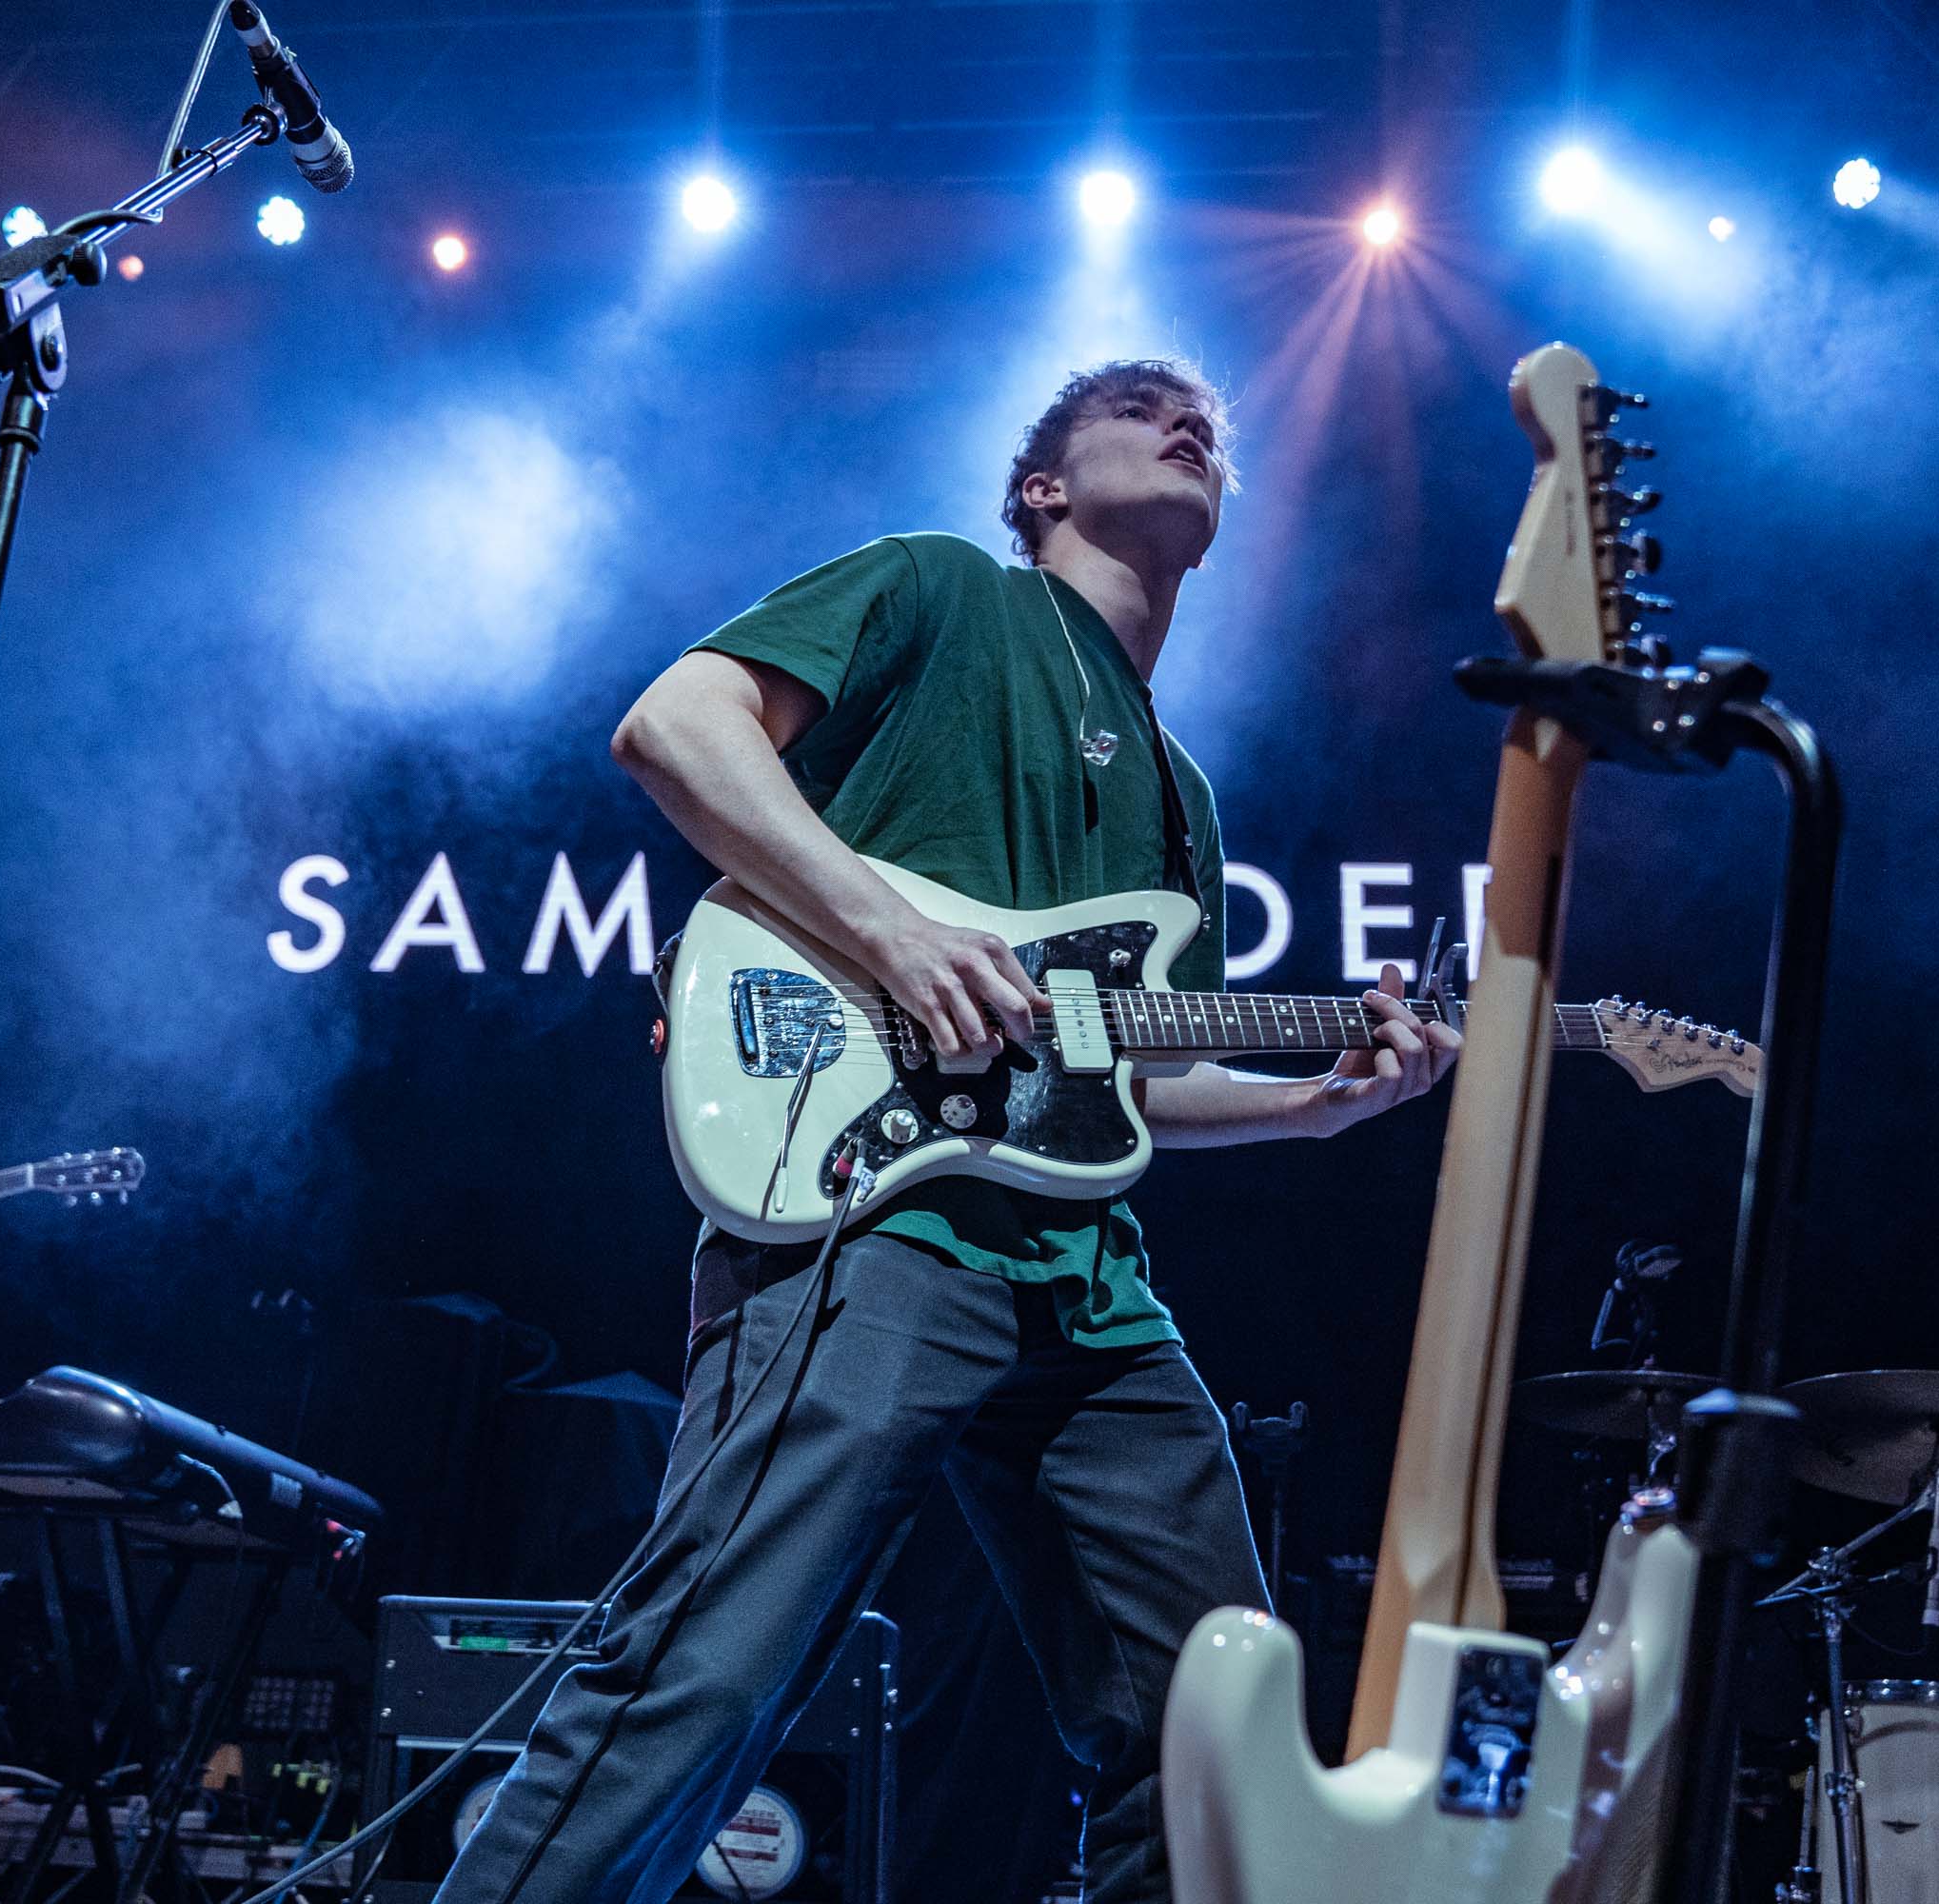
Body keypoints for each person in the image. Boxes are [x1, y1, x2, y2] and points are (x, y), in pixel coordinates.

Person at [433, 359, 1459, 1904]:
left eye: (1215, 429)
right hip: (878, 1225)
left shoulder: (1184, 799)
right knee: (704, 1680)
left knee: (1213, 1727)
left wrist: (1322, 1104)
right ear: (1043, 488)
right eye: (1143, 411)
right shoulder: (939, 590)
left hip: (1089, 1289)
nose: (1197, 427)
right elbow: (675, 726)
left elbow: (1112, 1075)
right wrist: (895, 934)